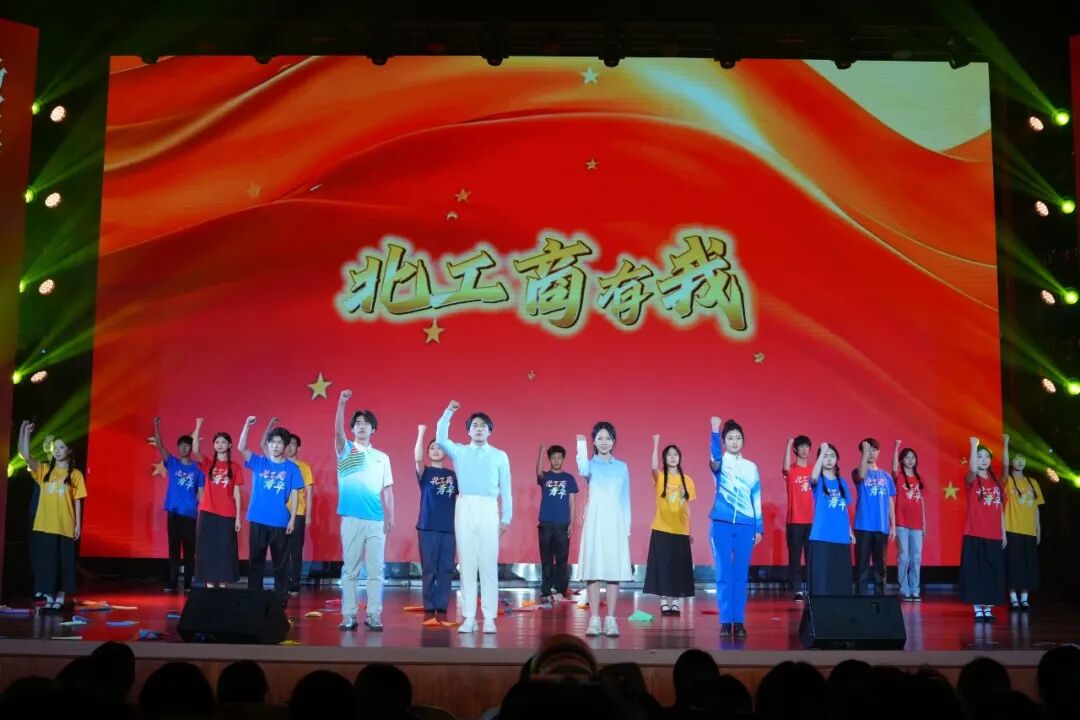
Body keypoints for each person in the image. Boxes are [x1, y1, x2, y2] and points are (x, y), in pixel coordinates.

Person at [436, 400, 512, 635]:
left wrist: (506, 517)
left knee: (488, 563)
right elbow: (440, 438)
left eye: (483, 426)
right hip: (465, 505)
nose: (479, 429)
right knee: (467, 563)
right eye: (475, 426)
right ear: (468, 431)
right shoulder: (459, 451)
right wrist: (449, 412)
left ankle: (489, 617)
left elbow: (506, 488)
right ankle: (469, 616)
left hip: (489, 507)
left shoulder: (499, 455)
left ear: (490, 431)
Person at [334, 390, 395, 631]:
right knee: (350, 569)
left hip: (376, 520)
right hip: (351, 519)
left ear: (373, 429)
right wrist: (342, 403)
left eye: (366, 423)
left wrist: (391, 517)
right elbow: (337, 432)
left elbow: (388, 490)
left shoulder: (382, 457)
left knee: (376, 570)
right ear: (352, 429)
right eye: (357, 423)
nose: (361, 426)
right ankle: (349, 615)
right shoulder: (346, 450)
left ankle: (374, 614)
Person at [18, 420, 87, 612]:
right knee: (47, 564)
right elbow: (25, 455)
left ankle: (61, 597)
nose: (57, 451)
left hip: (64, 525)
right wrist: (26, 433)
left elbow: (78, 500)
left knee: (63, 564)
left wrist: (77, 525)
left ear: (69, 450)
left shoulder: (76, 474)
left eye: (61, 447)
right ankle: (49, 597)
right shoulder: (44, 470)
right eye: (55, 447)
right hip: (45, 525)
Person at [238, 417, 302, 608]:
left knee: (280, 563)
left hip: (280, 521)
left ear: (285, 446)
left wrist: (292, 519)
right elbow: (241, 448)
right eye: (272, 442)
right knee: (255, 561)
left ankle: (280, 600)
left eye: (279, 442)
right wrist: (246, 425)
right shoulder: (259, 462)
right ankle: (254, 598)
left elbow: (295, 493)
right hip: (257, 519)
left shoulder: (292, 468)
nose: (275, 446)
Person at [576, 422, 632, 638]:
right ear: (594, 441)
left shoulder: (622, 467)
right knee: (593, 570)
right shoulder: (590, 465)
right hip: (595, 521)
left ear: (614, 441)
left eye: (608, 438)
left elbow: (625, 499)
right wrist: (581, 445)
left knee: (613, 572)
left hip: (615, 522)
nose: (604, 442)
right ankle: (594, 619)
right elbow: (581, 468)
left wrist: (626, 527)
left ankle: (610, 619)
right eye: (599, 438)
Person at [709, 416, 762, 638]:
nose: (734, 441)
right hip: (721, 524)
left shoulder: (751, 467)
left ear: (743, 441)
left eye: (738, 438)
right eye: (730, 438)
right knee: (723, 574)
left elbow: (756, 497)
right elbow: (714, 459)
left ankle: (738, 621)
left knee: (740, 575)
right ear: (724, 442)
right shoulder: (720, 463)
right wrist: (714, 430)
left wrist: (759, 527)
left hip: (745, 525)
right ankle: (725, 621)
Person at [643, 435, 695, 616]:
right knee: (664, 566)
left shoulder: (687, 480)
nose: (672, 457)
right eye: (669, 455)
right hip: (661, 528)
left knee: (678, 566)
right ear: (664, 459)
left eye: (675, 454)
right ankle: (664, 601)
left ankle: (676, 602)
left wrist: (690, 530)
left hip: (681, 530)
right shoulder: (660, 477)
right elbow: (653, 467)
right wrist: (656, 443)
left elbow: (687, 507)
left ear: (680, 457)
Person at [152, 417, 205, 592]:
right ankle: (173, 581)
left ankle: (189, 583)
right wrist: (156, 425)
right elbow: (160, 445)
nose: (183, 448)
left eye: (187, 445)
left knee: (189, 550)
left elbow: (201, 492)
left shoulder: (198, 469)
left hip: (189, 514)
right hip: (173, 513)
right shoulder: (173, 463)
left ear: (191, 448)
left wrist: (201, 509)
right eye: (181, 445)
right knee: (173, 549)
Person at [414, 423, 458, 625]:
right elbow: (417, 458)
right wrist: (421, 433)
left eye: (439, 447)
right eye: (432, 448)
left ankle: (442, 604)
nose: (435, 450)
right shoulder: (425, 472)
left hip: (449, 528)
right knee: (429, 567)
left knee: (446, 568)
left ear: (445, 453)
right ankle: (429, 604)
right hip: (427, 527)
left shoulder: (452, 475)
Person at [960, 436, 1007, 622]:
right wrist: (974, 445)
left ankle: (988, 607)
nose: (984, 459)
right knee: (976, 571)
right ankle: (977, 608)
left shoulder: (996, 483)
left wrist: (1003, 532)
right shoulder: (971, 479)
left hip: (993, 534)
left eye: (987, 456)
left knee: (991, 571)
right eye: (980, 456)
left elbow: (1000, 508)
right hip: (974, 532)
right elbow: (972, 469)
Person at [191, 425, 244, 587]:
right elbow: (195, 450)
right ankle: (209, 584)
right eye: (217, 442)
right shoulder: (208, 463)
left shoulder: (235, 467)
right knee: (206, 549)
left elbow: (237, 494)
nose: (220, 445)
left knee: (225, 551)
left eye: (223, 442)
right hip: (208, 512)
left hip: (227, 514)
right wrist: (199, 426)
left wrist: (238, 518)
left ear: (230, 445)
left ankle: (222, 585)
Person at [1002, 434, 1043, 611]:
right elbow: (1004, 466)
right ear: (1011, 462)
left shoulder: (1032, 482)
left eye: (1022, 459)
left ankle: (1024, 598)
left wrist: (1038, 530)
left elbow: (1036, 508)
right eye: (1016, 459)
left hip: (1029, 531)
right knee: (1014, 565)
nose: (1019, 462)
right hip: (1012, 528)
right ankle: (1013, 599)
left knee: (1027, 566)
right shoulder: (1007, 480)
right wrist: (1005, 443)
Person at [807, 442, 854, 596]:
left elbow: (844, 509)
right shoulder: (819, 481)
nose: (829, 459)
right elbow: (814, 476)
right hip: (822, 536)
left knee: (839, 578)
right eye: (825, 456)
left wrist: (850, 531)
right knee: (822, 581)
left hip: (840, 536)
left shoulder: (842, 482)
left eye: (832, 456)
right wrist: (822, 451)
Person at [851, 438, 896, 596]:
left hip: (881, 526)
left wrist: (893, 525)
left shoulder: (886, 476)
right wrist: (864, 452)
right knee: (862, 565)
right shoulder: (857, 472)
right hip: (863, 526)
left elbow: (890, 501)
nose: (871, 453)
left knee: (880, 566)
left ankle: (880, 597)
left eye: (874, 450)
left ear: (878, 452)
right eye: (867, 450)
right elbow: (861, 474)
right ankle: (861, 597)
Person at [536, 444, 578, 603]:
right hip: (545, 523)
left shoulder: (569, 478)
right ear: (549, 459)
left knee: (562, 559)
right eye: (553, 458)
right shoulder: (545, 477)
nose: (556, 460)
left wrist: (571, 523)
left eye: (559, 457)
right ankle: (546, 590)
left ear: (563, 459)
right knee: (546, 558)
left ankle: (561, 589)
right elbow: (538, 472)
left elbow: (572, 503)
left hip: (562, 523)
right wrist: (541, 452)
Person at [892, 440, 927, 601]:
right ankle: (904, 588)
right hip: (901, 522)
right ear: (902, 460)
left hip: (917, 524)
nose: (910, 460)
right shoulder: (899, 477)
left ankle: (915, 589)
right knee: (904, 557)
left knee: (916, 558)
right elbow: (894, 468)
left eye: (913, 457)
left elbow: (921, 502)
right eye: (907, 457)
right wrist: (896, 447)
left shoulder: (919, 479)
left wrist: (924, 523)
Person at [782, 435, 814, 601]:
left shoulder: (813, 471)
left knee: (811, 557)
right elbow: (785, 467)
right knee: (795, 557)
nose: (804, 450)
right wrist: (788, 444)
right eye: (800, 446)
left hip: (811, 521)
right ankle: (797, 590)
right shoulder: (791, 470)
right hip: (794, 521)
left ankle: (811, 588)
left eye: (806, 446)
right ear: (795, 449)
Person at [284, 432, 315, 595]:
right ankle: (282, 582)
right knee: (281, 549)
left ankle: (294, 583)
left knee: (295, 550)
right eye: (287, 444)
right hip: (279, 513)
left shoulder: (304, 467)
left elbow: (309, 492)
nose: (290, 447)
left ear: (299, 448)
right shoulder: (279, 465)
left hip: (298, 513)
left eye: (293, 444)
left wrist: (308, 515)